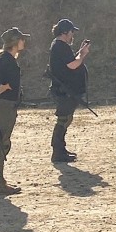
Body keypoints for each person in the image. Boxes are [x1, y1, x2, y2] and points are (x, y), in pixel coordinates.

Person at [0, 27, 29, 196]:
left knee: (3, 143)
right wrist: (5, 85)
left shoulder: (8, 58)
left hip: (7, 105)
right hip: (4, 106)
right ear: (15, 42)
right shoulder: (6, 59)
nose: (23, 41)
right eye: (21, 39)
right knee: (2, 144)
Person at [48, 19, 91, 164]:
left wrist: (80, 52)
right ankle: (58, 152)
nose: (73, 35)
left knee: (66, 119)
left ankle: (61, 149)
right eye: (72, 32)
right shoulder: (60, 46)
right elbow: (72, 65)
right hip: (64, 91)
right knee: (63, 120)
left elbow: (70, 61)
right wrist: (82, 54)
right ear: (65, 32)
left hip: (66, 90)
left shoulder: (60, 46)